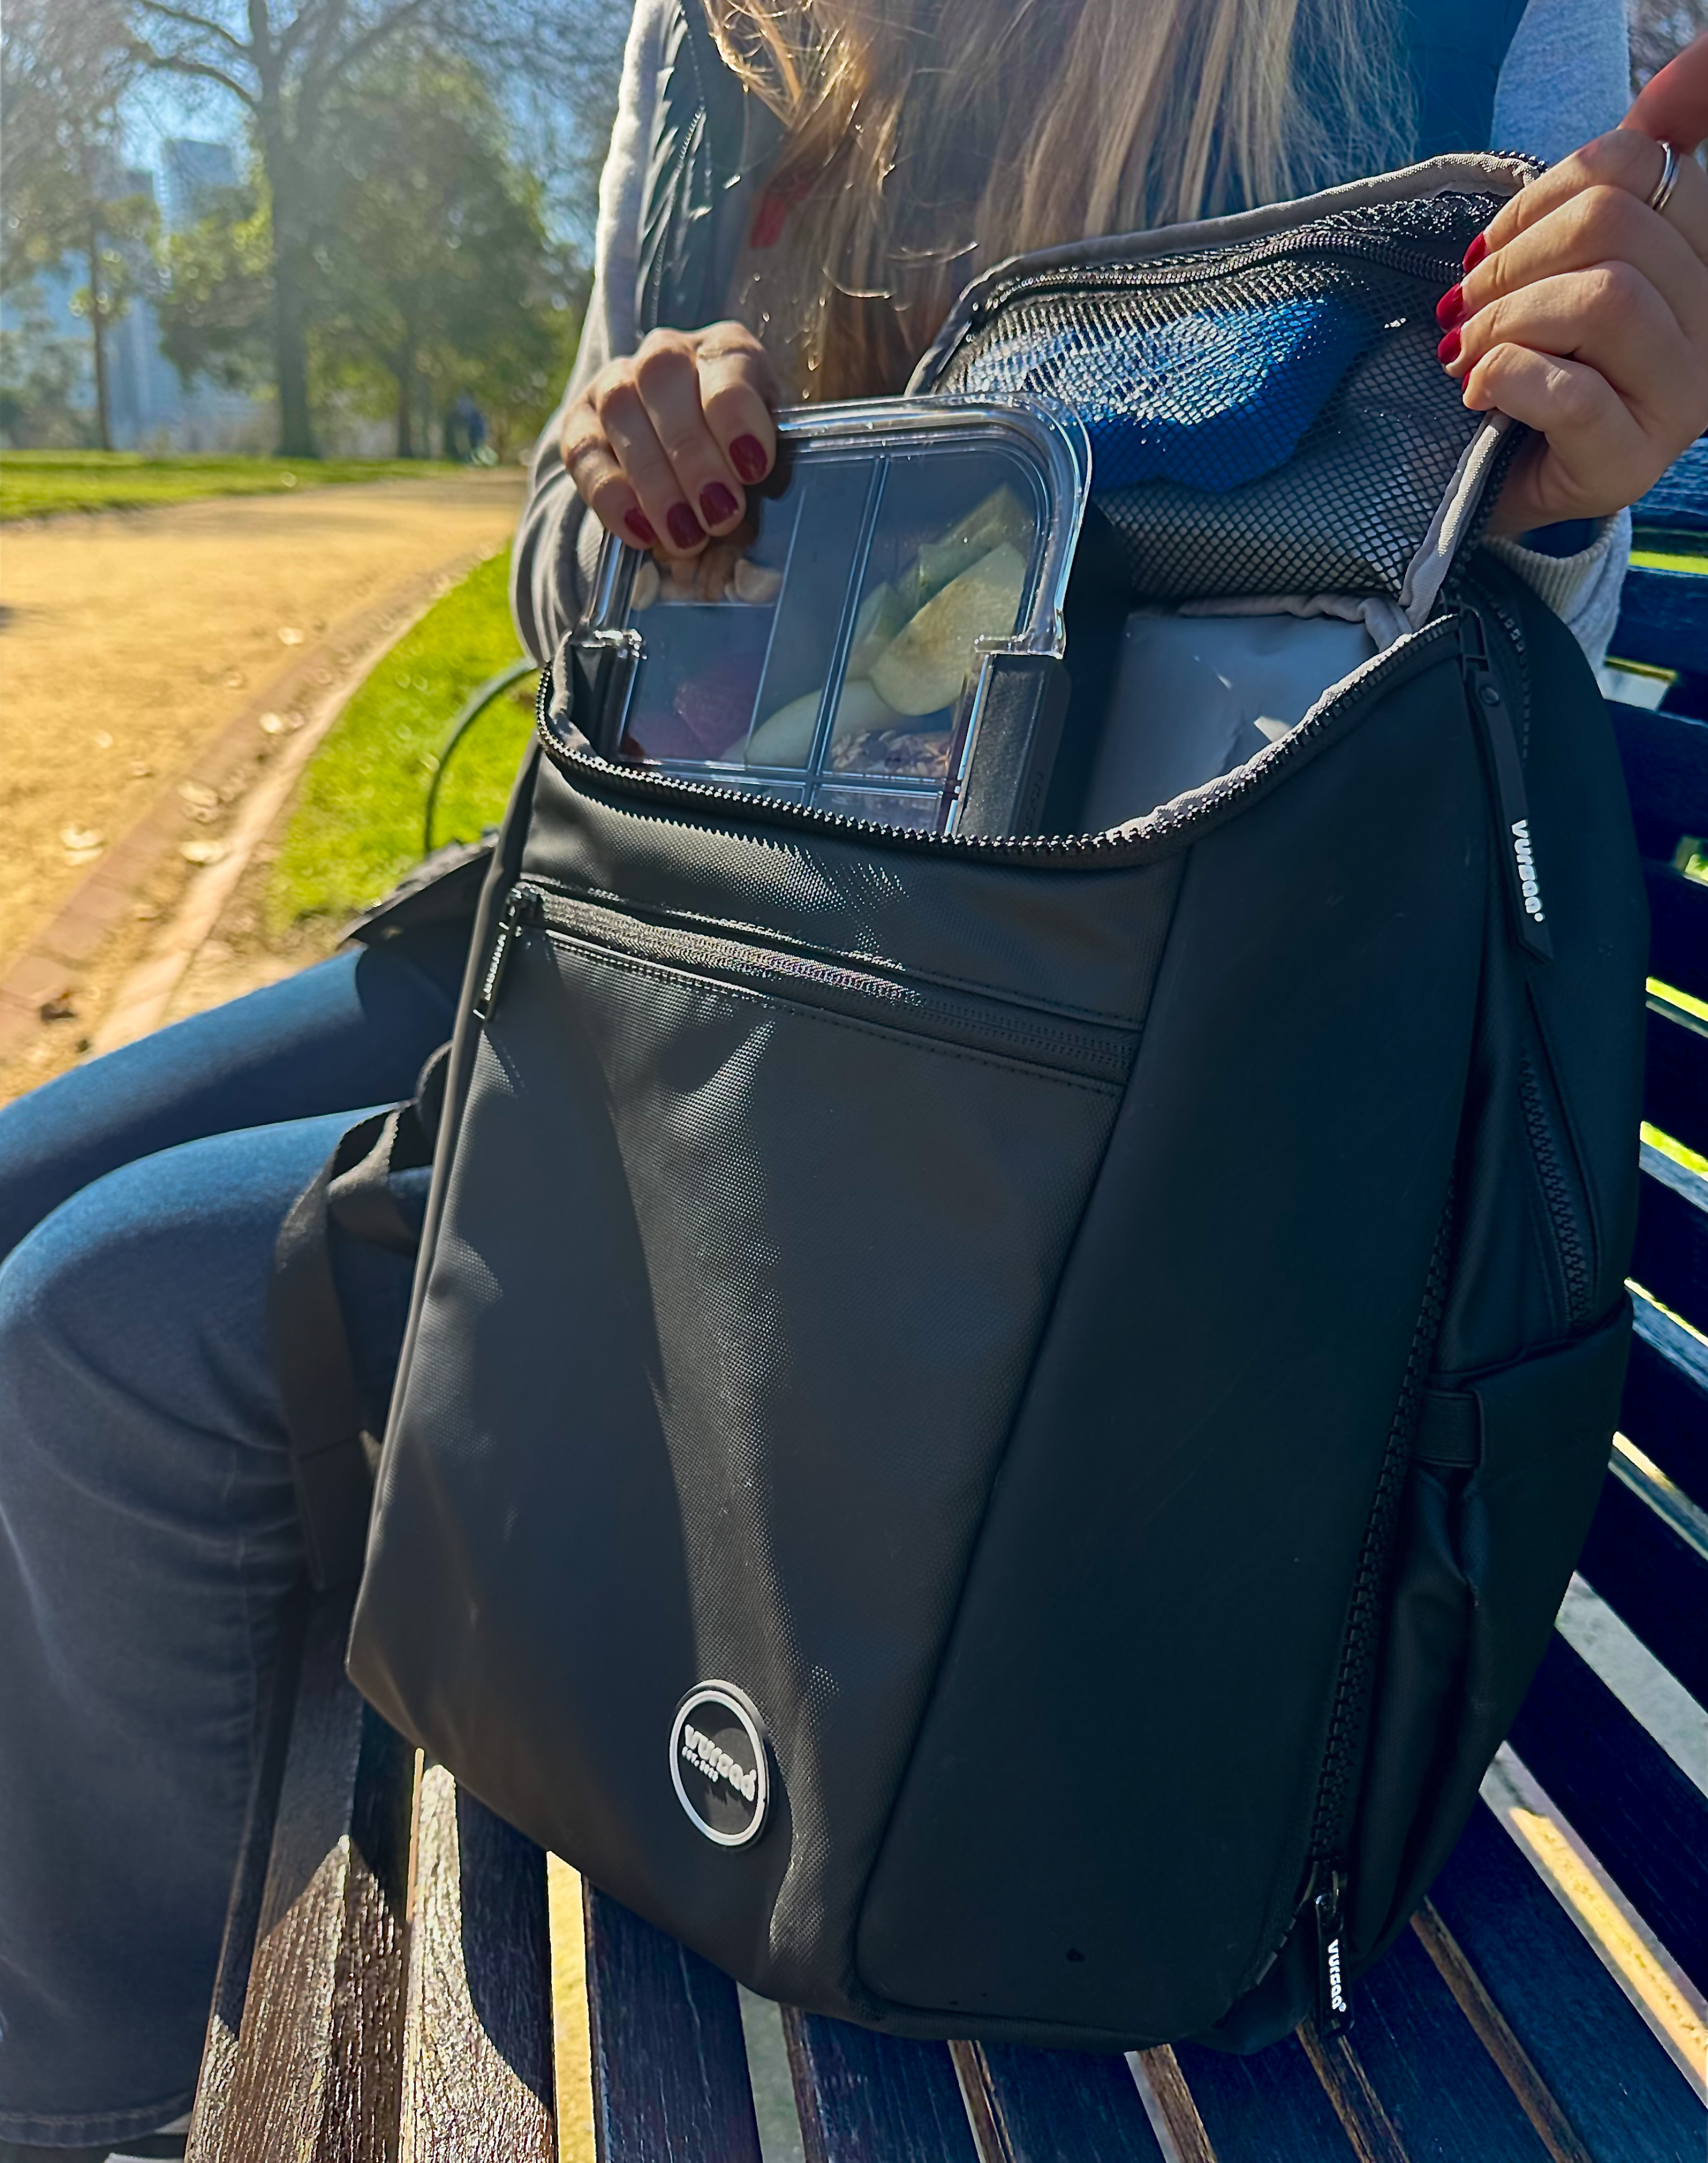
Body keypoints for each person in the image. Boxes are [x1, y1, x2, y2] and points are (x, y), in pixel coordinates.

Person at [1, 6, 1703, 2157]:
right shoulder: (714, 46)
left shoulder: (1470, 35)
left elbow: (1493, 685)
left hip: (1083, 1005)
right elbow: (565, 582)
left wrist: (1561, 479)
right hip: (668, 900)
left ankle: (86, 2109)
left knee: (85, 1329)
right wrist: (626, 495)